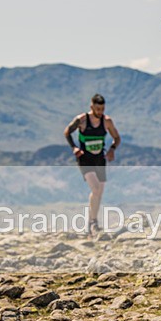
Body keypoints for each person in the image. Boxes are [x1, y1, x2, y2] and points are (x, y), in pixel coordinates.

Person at [63, 94, 121, 236]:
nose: (100, 112)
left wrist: (112, 150)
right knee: (95, 188)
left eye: (102, 109)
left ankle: (92, 222)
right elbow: (67, 132)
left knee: (99, 192)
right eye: (97, 109)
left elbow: (117, 138)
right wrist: (74, 148)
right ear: (91, 107)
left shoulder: (107, 122)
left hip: (99, 159)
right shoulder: (82, 120)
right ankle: (92, 222)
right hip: (85, 159)